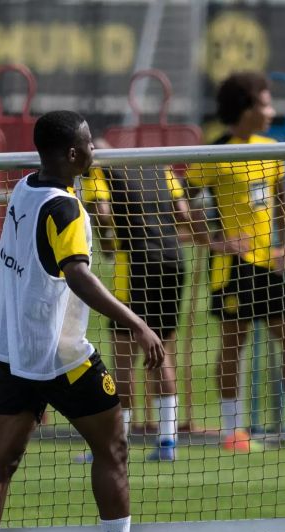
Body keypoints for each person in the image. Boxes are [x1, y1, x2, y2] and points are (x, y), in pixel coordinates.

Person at [0, 111, 182, 532]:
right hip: (62, 352)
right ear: (74, 154)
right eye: (90, 145)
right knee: (113, 448)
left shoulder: (23, 188)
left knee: (2, 457)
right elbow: (77, 274)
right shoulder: (66, 210)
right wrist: (137, 324)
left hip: (15, 349)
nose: (96, 151)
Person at [184, 71, 285, 443]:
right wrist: (212, 242)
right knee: (233, 342)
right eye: (265, 103)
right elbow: (183, 202)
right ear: (245, 108)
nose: (271, 111)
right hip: (231, 267)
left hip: (267, 263)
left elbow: (283, 199)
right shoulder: (215, 153)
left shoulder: (270, 148)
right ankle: (232, 429)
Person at [78, 143, 192, 461]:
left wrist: (107, 246)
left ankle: (117, 443)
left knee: (124, 354)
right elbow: (183, 212)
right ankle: (167, 442)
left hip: (136, 262)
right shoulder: (158, 165)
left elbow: (100, 212)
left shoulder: (99, 169)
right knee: (161, 350)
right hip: (173, 261)